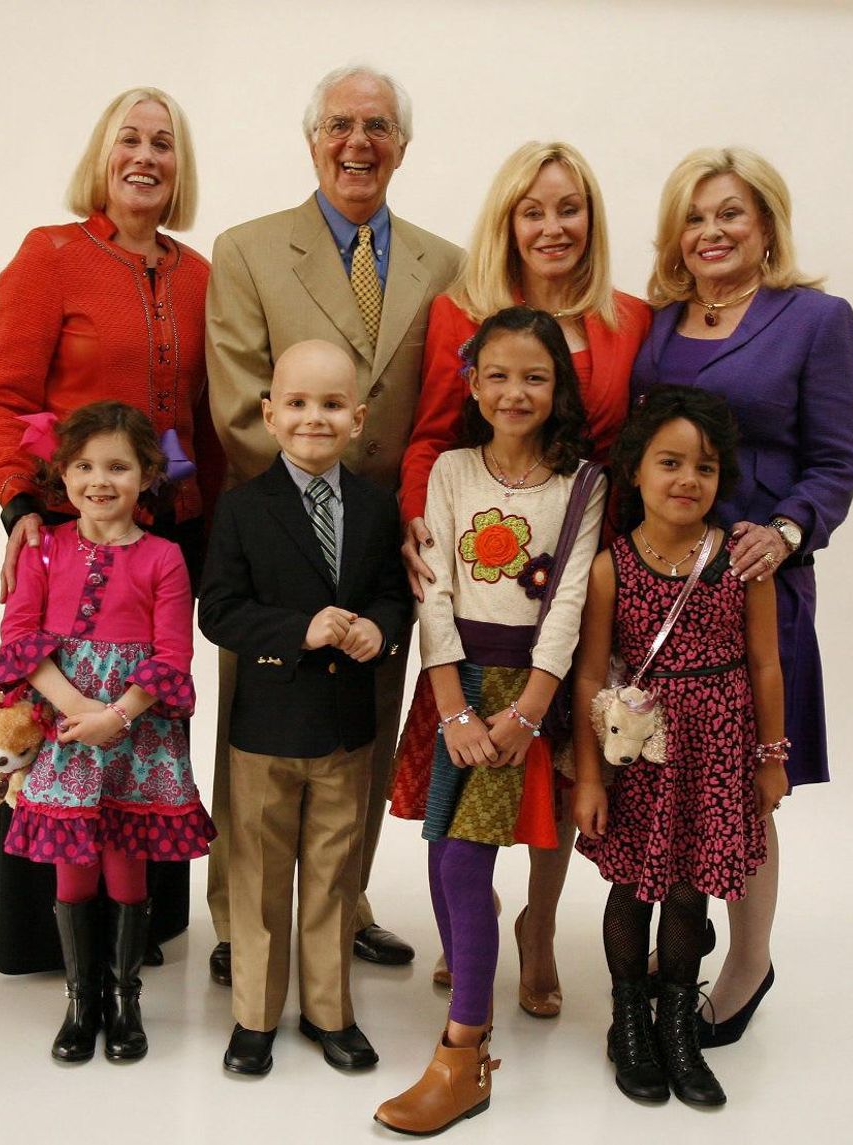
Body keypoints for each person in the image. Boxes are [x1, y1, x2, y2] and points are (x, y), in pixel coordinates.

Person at [205, 65, 462, 984]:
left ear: (403, 145)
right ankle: (241, 919)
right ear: (313, 139)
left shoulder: (446, 264)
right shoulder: (247, 250)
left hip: (384, 546)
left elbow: (444, 407)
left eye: (379, 127)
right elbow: (237, 401)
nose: (359, 142)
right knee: (256, 730)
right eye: (341, 125)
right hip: (277, 536)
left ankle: (342, 901)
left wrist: (404, 517)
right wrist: (317, 496)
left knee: (364, 729)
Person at [395, 141, 651, 1014]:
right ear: (507, 221)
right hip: (478, 556)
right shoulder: (460, 312)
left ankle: (538, 926)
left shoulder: (628, 317)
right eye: (532, 210)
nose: (551, 226)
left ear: (592, 218)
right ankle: (471, 917)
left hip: (585, 551)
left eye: (568, 208)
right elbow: (433, 434)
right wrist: (420, 530)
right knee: (465, 773)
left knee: (561, 762)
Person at [0, 86, 222, 974]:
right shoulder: (50, 256)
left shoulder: (199, 275)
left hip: (168, 537)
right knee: (56, 712)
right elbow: (4, 399)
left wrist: (215, 523)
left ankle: (136, 936)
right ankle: (50, 941)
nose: (146, 156)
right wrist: (21, 505)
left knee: (147, 720)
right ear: (103, 155)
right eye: (130, 139)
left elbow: (201, 414)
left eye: (163, 142)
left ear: (180, 165)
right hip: (67, 531)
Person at [631, 147, 853, 1044]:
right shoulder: (657, 324)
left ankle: (747, 961)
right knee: (669, 776)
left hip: (755, 587)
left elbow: (835, 462)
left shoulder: (815, 319)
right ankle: (678, 940)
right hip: (660, 590)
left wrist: (789, 530)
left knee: (744, 783)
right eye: (694, 217)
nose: (712, 231)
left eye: (730, 213)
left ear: (766, 223)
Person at [375, 308, 606, 1135]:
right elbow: (433, 586)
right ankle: (475, 975)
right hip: (456, 683)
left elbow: (570, 600)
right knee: (444, 853)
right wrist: (452, 705)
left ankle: (463, 1053)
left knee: (466, 863)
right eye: (498, 375)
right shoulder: (449, 469)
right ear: (472, 385)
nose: (515, 392)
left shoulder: (583, 482)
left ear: (559, 388)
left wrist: (530, 711)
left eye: (535, 377)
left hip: (525, 693)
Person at [198, 341, 412, 1076]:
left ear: (358, 418)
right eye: (296, 403)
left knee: (333, 876)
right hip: (266, 728)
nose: (313, 418)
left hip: (347, 728)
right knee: (259, 877)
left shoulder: (377, 507)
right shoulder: (242, 508)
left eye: (331, 405)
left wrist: (380, 628)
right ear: (269, 415)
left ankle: (329, 1012)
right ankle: (255, 1016)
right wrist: (300, 629)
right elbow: (218, 612)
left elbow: (392, 594)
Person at [573, 386, 787, 1107]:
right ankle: (629, 1021)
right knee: (634, 890)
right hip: (645, 754)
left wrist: (772, 758)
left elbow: (765, 664)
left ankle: (676, 1026)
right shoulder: (611, 567)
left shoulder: (740, 563)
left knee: (692, 892)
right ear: (635, 470)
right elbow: (590, 677)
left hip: (717, 754)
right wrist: (590, 779)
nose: (688, 479)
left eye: (705, 467)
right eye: (670, 462)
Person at [0, 402, 216, 1063]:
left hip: (138, 734)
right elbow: (19, 635)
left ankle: (125, 997)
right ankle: (80, 999)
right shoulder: (43, 548)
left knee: (126, 860)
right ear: (61, 474)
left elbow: (172, 654)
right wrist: (75, 710)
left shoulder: (165, 557)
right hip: (65, 729)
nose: (99, 481)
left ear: (147, 474)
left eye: (118, 467)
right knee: (74, 863)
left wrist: (116, 716)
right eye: (84, 466)